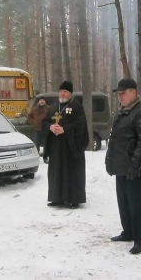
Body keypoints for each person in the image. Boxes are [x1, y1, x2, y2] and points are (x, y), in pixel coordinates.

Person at [105, 78, 141, 255]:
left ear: (134, 92)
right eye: (119, 94)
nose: (120, 97)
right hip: (121, 166)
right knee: (124, 202)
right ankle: (129, 231)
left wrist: (135, 165)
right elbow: (115, 139)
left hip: (134, 168)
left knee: (137, 204)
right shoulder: (122, 112)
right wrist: (110, 160)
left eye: (123, 93)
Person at [41, 81, 89, 209]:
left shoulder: (77, 107)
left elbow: (80, 126)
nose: (62, 93)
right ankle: (56, 198)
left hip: (71, 147)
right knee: (56, 172)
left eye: (65, 91)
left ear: (70, 94)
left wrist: (65, 130)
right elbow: (44, 122)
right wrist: (51, 127)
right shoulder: (52, 107)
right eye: (61, 91)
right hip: (56, 147)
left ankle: (74, 199)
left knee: (72, 172)